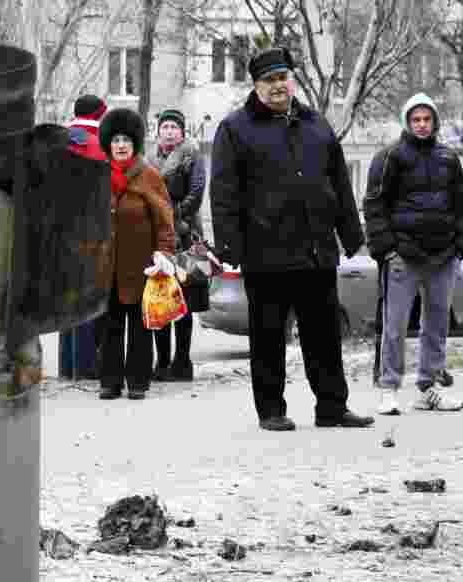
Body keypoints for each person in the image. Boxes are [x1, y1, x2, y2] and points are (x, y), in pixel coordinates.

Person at [210, 47, 373, 431]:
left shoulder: (316, 124)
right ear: (256, 85)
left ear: (291, 80)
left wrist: (351, 234)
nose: (278, 86)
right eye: (269, 80)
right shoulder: (235, 128)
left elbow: (339, 183)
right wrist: (230, 244)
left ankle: (332, 406)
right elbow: (223, 191)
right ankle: (271, 410)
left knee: (324, 335)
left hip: (317, 248)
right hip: (265, 252)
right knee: (267, 336)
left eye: (282, 77)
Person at [365, 93, 463, 415]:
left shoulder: (450, 159)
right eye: (415, 119)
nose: (421, 125)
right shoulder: (389, 157)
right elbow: (375, 205)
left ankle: (429, 386)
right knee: (395, 325)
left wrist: (458, 245)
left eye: (427, 119)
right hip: (403, 256)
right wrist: (387, 250)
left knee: (436, 325)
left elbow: (460, 206)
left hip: (443, 255)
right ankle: (389, 387)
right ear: (407, 122)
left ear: (434, 121)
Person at [97, 107, 176, 401]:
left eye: (126, 140)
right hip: (107, 266)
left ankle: (138, 382)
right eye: (115, 140)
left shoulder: (148, 176)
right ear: (108, 143)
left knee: (141, 327)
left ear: (134, 144)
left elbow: (165, 220)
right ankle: (109, 381)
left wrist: (164, 253)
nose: (120, 145)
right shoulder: (100, 175)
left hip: (142, 265)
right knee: (109, 326)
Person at [146, 109, 206, 382]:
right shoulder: (149, 159)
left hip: (185, 233)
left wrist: (175, 215)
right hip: (157, 236)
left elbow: (196, 193)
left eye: (174, 127)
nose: (169, 131)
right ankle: (162, 362)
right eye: (165, 126)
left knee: (185, 300)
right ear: (158, 131)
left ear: (182, 132)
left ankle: (183, 362)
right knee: (161, 298)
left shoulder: (191, 155)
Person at [58, 94, 108, 381]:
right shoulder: (101, 144)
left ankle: (67, 366)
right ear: (100, 115)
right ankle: (87, 366)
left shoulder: (59, 140)